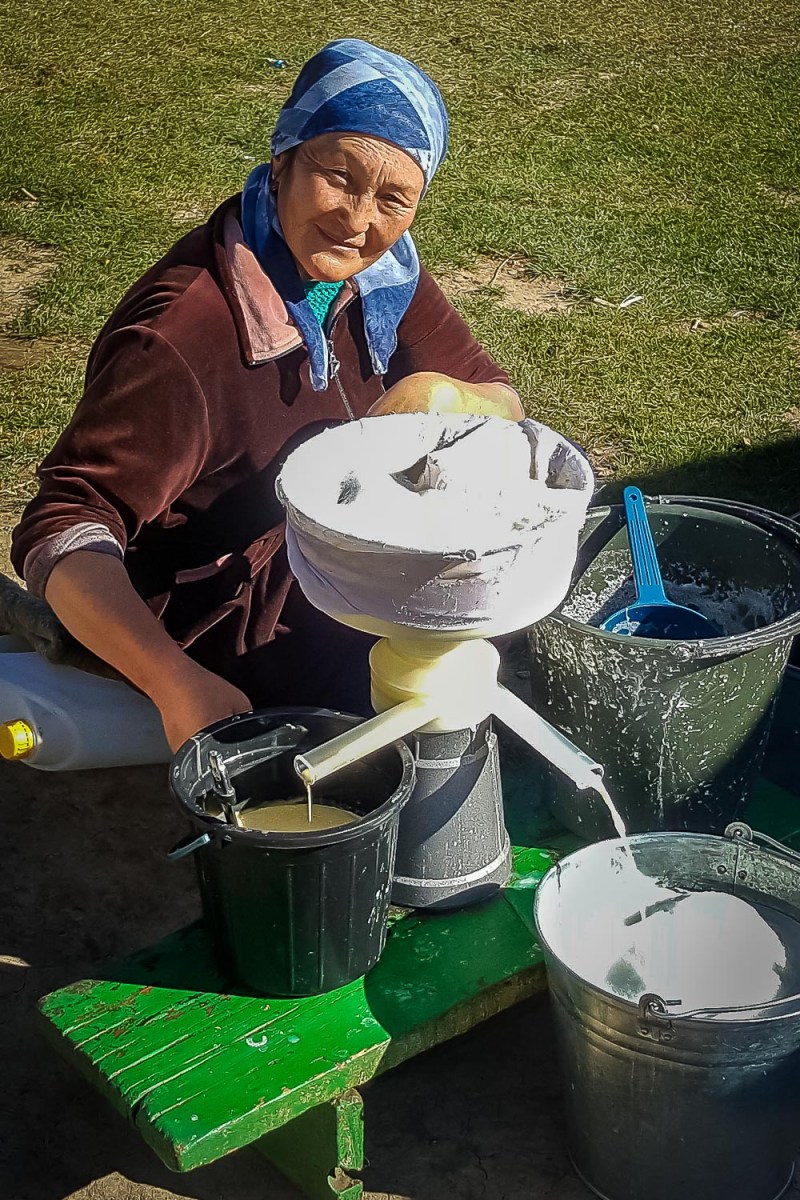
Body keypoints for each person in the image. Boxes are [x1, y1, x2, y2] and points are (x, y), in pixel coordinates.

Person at [11, 39, 523, 751]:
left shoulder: (382, 272)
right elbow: (64, 527)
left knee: (516, 607)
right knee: (419, 710)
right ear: (284, 159)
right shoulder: (184, 337)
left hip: (344, 554)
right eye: (338, 176)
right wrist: (174, 684)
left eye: (394, 198)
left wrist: (444, 395)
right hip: (228, 617)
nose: (357, 220)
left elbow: (497, 395)